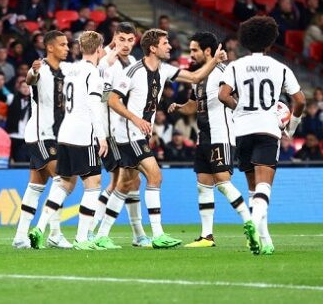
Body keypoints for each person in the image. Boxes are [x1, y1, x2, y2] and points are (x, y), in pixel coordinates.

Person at [95, 29, 227, 249]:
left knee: (125, 184)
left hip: (139, 134)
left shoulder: (164, 70)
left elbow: (195, 77)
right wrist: (136, 119)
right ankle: (158, 233)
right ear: (153, 48)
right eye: (166, 43)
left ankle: (101, 235)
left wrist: (213, 61)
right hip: (128, 133)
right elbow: (113, 101)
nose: (170, 47)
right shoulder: (133, 71)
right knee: (155, 176)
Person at [219, 16, 306, 255]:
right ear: (270, 42)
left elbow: (223, 95)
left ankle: (264, 241)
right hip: (268, 129)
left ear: (245, 41)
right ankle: (253, 225)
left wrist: (239, 107)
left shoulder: (235, 66)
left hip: (242, 130)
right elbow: (299, 100)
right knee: (264, 187)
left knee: (252, 189)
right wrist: (291, 127)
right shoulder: (280, 67)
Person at [168, 32, 257, 249]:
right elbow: (193, 105)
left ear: (208, 51)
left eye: (194, 50)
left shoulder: (223, 72)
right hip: (204, 136)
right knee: (203, 184)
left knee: (223, 184)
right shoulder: (198, 76)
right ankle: (207, 236)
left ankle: (251, 223)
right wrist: (180, 107)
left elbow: (238, 97)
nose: (191, 55)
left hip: (222, 135)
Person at [28, 31, 108, 250]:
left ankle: (40, 227)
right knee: (93, 185)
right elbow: (93, 105)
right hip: (84, 135)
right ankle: (82, 239)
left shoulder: (72, 70)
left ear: (81, 49)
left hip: (65, 135)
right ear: (99, 49)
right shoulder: (93, 73)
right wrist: (101, 136)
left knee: (65, 183)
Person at [88, 22, 150, 247]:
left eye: (130, 40)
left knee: (130, 181)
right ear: (114, 38)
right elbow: (101, 99)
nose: (125, 44)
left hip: (125, 130)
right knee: (122, 181)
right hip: (110, 130)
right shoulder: (106, 62)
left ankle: (136, 234)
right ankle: (94, 232)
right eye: (121, 39)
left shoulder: (133, 62)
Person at [12, 30, 71, 250]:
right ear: (50, 47)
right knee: (63, 180)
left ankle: (20, 237)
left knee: (36, 186)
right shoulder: (39, 67)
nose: (67, 47)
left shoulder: (66, 71)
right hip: (41, 135)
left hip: (54, 137)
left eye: (68, 44)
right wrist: (32, 72)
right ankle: (54, 233)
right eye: (63, 44)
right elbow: (30, 79)